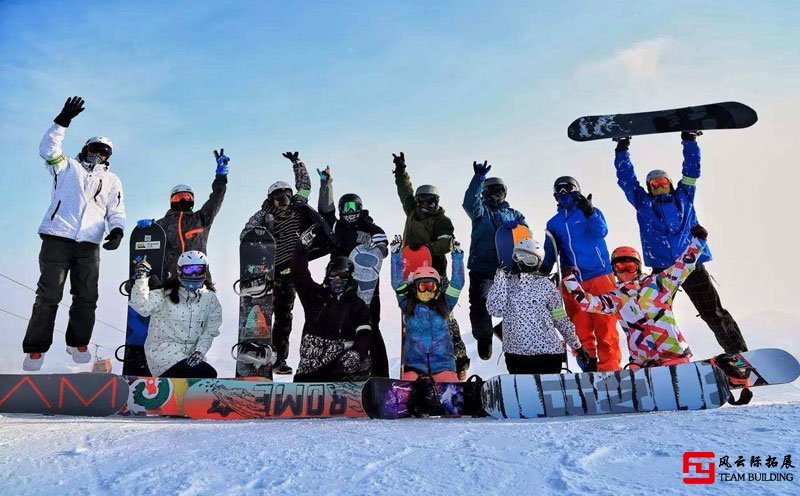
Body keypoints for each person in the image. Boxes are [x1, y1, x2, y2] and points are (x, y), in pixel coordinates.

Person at [613, 132, 748, 363]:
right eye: (654, 184)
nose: (659, 187)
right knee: (650, 315)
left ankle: (741, 356)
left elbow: (692, 170)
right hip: (663, 270)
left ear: (670, 183)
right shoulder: (643, 204)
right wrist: (621, 149)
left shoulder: (684, 196)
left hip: (690, 266)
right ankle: (654, 359)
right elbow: (627, 180)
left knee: (713, 313)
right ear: (648, 187)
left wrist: (690, 141)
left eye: (663, 182)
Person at [23, 96, 126, 371]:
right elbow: (48, 149)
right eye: (95, 148)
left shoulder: (112, 180)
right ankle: (35, 349)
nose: (99, 154)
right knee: (49, 295)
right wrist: (62, 120)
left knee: (87, 296)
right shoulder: (66, 167)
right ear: (86, 148)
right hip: (58, 237)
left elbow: (116, 210)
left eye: (105, 152)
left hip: (89, 245)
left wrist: (117, 230)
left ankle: (77, 342)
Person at [562, 226, 714, 371]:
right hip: (642, 362)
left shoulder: (658, 284)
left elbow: (683, 267)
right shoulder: (616, 298)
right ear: (614, 271)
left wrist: (698, 242)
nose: (625, 271)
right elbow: (588, 303)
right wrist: (569, 279)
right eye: (620, 267)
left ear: (638, 267)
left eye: (630, 266)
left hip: (673, 355)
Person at [240, 151, 332, 375]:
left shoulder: (298, 208)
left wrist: (297, 163)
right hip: (272, 271)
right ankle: (262, 356)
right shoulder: (262, 215)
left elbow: (305, 186)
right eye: (279, 198)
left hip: (294, 269)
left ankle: (281, 358)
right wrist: (259, 233)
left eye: (287, 197)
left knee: (285, 316)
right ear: (271, 199)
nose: (284, 202)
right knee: (265, 315)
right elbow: (245, 234)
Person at [392, 152, 469, 378]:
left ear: (437, 202)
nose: (425, 205)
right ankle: (414, 366)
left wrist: (423, 249)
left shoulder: (442, 220)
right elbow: (404, 190)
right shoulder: (412, 212)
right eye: (422, 201)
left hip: (435, 275)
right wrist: (400, 170)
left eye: (430, 201)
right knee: (414, 317)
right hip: (411, 273)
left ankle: (459, 360)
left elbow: (446, 243)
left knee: (445, 317)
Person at [540, 176, 620, 372]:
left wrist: (590, 212)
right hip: (572, 280)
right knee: (579, 325)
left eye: (566, 189)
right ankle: (588, 364)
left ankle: (610, 368)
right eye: (558, 191)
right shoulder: (554, 223)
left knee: (605, 325)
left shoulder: (589, 212)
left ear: (576, 189)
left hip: (600, 274)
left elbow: (601, 231)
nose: (563, 194)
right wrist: (541, 273)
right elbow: (551, 252)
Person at [317, 166, 390, 377]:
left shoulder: (370, 229)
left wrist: (380, 249)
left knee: (369, 327)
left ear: (360, 208)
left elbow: (382, 247)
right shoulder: (336, 227)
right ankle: (339, 370)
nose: (349, 212)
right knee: (336, 326)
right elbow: (325, 211)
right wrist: (326, 184)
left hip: (366, 287)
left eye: (353, 207)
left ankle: (379, 374)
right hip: (338, 284)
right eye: (345, 207)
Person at [487, 238, 590, 374]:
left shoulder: (546, 286)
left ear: (538, 263)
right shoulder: (505, 283)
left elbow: (560, 319)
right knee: (526, 394)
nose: (521, 263)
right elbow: (495, 310)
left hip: (548, 352)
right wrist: (500, 277)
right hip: (517, 354)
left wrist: (576, 344)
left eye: (529, 260)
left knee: (546, 393)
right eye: (519, 257)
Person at [462, 160, 528, 360]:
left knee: (517, 304)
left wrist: (519, 231)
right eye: (491, 190)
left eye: (500, 190)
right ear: (484, 193)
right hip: (483, 267)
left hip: (510, 268)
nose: (496, 194)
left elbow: (526, 235)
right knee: (481, 304)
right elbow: (469, 203)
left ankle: (513, 336)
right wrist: (478, 179)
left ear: (505, 193)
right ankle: (484, 336)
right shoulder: (480, 211)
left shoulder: (514, 214)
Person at [292, 229, 373, 382]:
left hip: (340, 369)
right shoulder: (314, 296)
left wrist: (357, 352)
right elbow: (299, 274)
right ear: (327, 275)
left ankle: (356, 393)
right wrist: (301, 248)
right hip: (311, 368)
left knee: (365, 359)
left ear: (349, 276)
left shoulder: (358, 305)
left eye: (342, 274)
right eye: (333, 274)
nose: (337, 278)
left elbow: (365, 334)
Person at [137, 149, 229, 282]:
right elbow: (148, 245)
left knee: (208, 302)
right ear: (171, 201)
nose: (182, 201)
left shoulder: (202, 219)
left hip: (199, 277)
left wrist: (221, 177)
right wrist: (148, 229)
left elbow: (217, 198)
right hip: (170, 280)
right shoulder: (162, 224)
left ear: (192, 201)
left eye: (186, 197)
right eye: (178, 198)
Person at [129, 250, 221, 378]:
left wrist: (200, 351)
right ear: (180, 271)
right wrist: (141, 280)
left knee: (205, 374)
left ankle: (183, 395)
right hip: (163, 355)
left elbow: (210, 330)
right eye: (189, 270)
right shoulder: (165, 295)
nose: (194, 275)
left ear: (205, 271)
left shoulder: (209, 299)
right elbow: (141, 306)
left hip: (190, 358)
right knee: (206, 373)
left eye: (198, 270)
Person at [391, 235, 465, 382]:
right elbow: (397, 283)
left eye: (430, 286)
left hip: (443, 366)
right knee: (410, 387)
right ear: (415, 288)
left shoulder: (445, 304)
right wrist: (396, 256)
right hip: (414, 366)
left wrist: (457, 257)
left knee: (449, 392)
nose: (426, 291)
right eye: (422, 286)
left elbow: (457, 284)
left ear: (437, 287)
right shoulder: (408, 305)